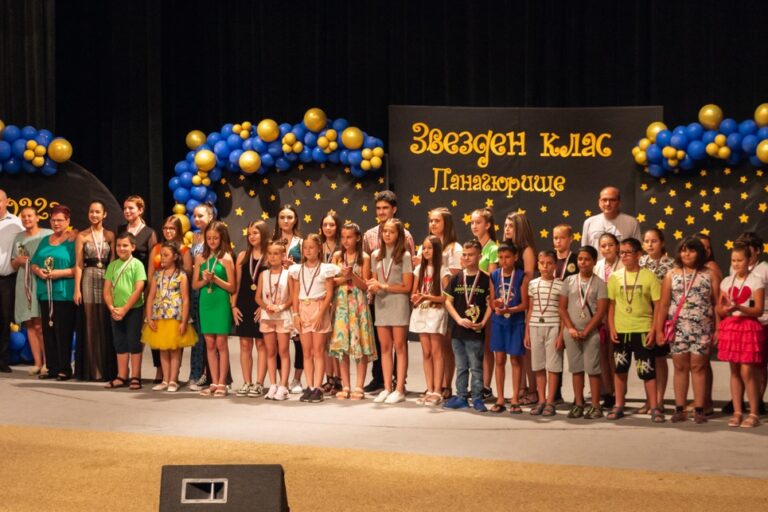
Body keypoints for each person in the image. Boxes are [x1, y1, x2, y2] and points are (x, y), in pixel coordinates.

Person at [657, 237, 718, 424]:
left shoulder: (710, 274)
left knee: (699, 367)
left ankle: (699, 409)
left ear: (700, 253)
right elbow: (664, 304)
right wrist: (659, 330)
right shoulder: (671, 274)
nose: (687, 254)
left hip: (703, 329)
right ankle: (680, 409)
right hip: (678, 329)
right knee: (680, 368)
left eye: (691, 250)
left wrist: (719, 329)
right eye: (684, 250)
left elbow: (717, 304)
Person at [606, 237, 664, 423]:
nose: (623, 256)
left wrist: (654, 329)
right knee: (620, 370)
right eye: (621, 253)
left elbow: (658, 306)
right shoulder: (615, 277)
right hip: (621, 331)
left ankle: (654, 406)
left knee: (647, 370)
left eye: (628, 253)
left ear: (639, 254)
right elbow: (611, 305)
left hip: (643, 330)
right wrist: (612, 327)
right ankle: (619, 404)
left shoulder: (649, 277)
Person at [362, 190, 415, 394]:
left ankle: (399, 383)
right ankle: (382, 382)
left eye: (385, 208)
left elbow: (409, 271)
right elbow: (369, 269)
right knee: (381, 344)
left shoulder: (406, 237)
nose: (381, 212)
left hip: (398, 298)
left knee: (399, 344)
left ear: (394, 209)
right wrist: (371, 286)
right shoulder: (369, 236)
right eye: (378, 208)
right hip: (379, 300)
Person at [716, 243, 765, 428]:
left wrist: (739, 307)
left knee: (747, 371)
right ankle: (737, 411)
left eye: (740, 260)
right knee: (735, 370)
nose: (736, 264)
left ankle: (754, 413)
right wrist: (724, 308)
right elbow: (720, 309)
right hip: (731, 327)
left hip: (748, 327)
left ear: (749, 260)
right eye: (733, 260)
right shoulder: (726, 281)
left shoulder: (756, 281)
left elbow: (758, 310)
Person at [559, 246, 608, 419]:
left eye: (587, 259)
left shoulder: (600, 283)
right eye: (580, 259)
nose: (583, 262)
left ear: (594, 261)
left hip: (592, 333)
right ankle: (578, 404)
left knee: (593, 369)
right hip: (571, 332)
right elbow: (562, 308)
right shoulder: (569, 281)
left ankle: (595, 405)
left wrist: (587, 330)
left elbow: (601, 311)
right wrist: (571, 328)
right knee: (576, 369)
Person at [329, 222, 376, 400]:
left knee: (359, 345)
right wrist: (343, 277)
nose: (346, 241)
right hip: (341, 304)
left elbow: (365, 285)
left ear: (357, 238)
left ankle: (359, 386)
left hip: (358, 305)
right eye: (343, 237)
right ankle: (346, 385)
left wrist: (352, 276)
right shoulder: (337, 256)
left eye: (349, 237)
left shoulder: (364, 257)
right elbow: (330, 281)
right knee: (342, 346)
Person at [443, 240, 492, 412]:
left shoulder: (486, 279)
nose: (466, 258)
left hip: (476, 331)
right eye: (464, 254)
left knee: (476, 366)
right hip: (458, 331)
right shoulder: (456, 278)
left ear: (480, 256)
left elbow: (491, 304)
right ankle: (461, 397)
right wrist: (458, 319)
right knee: (461, 366)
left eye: (471, 255)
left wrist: (483, 322)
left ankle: (477, 398)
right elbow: (447, 302)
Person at [141, 242, 197, 392]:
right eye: (161, 255)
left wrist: (184, 321)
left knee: (174, 349)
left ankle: (173, 380)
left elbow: (185, 299)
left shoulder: (181, 275)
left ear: (175, 257)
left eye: (166, 255)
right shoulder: (157, 274)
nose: (163, 258)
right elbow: (151, 296)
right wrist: (149, 317)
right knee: (163, 348)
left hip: (175, 317)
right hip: (160, 316)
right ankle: (165, 379)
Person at [418, 207, 461, 399]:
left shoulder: (454, 248)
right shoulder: (425, 245)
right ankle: (433, 385)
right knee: (432, 348)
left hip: (446, 303)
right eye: (431, 221)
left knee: (445, 346)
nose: (433, 224)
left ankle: (445, 384)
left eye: (437, 221)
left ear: (446, 223)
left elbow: (454, 279)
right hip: (427, 307)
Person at [30, 205, 76, 381]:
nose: (56, 223)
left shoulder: (73, 240)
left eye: (60, 220)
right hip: (45, 292)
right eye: (53, 220)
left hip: (63, 293)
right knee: (47, 331)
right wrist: (38, 271)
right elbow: (34, 263)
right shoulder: (45, 240)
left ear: (68, 221)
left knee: (63, 331)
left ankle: (65, 368)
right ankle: (52, 368)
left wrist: (58, 273)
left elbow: (77, 269)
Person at [289, 234, 337, 403]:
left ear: (319, 249)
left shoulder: (326, 269)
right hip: (303, 309)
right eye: (305, 248)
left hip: (319, 309)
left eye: (311, 247)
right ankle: (309, 386)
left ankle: (318, 387)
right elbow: (295, 293)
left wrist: (320, 314)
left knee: (318, 352)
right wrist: (295, 314)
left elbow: (329, 294)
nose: (308, 251)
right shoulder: (297, 270)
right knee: (307, 352)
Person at [117, 195, 160, 382]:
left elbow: (154, 261)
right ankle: (125, 373)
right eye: (125, 208)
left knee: (148, 328)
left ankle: (160, 370)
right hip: (123, 287)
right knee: (127, 331)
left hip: (143, 285)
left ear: (140, 210)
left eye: (131, 208)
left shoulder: (149, 233)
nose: (127, 211)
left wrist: (149, 288)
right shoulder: (120, 230)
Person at [73, 200, 116, 382]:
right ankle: (92, 370)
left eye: (98, 212)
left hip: (106, 277)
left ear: (104, 214)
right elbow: (78, 264)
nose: (94, 215)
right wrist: (77, 289)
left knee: (104, 323)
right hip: (88, 278)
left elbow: (113, 262)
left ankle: (106, 369)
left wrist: (112, 284)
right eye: (91, 211)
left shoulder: (110, 235)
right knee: (90, 323)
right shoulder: (82, 236)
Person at [192, 221, 236, 397]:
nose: (212, 241)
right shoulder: (200, 258)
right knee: (209, 343)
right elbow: (195, 285)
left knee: (221, 344)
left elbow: (232, 287)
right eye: (209, 238)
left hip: (221, 302)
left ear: (222, 238)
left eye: (215, 238)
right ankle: (213, 382)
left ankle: (222, 383)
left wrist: (215, 279)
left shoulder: (226, 258)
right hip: (206, 302)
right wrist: (205, 280)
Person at [103, 232, 147, 390]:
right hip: (115, 311)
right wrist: (112, 308)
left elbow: (139, 288)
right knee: (119, 343)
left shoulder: (137, 265)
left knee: (134, 342)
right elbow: (107, 290)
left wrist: (125, 308)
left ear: (133, 247)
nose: (121, 248)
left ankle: (136, 376)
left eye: (125, 245)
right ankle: (122, 375)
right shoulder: (112, 265)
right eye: (119, 245)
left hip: (133, 309)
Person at [409, 236, 450, 406]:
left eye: (429, 248)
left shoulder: (443, 271)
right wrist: (415, 297)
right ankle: (429, 388)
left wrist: (427, 296)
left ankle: (438, 390)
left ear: (437, 250)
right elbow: (413, 293)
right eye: (424, 248)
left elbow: (445, 298)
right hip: (421, 313)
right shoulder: (419, 269)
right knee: (426, 353)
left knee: (436, 352)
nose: (425, 251)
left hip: (436, 313)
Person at [488, 241, 527, 414]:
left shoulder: (521, 276)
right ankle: (500, 398)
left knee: (515, 360)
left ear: (515, 257)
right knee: (499, 360)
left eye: (507, 257)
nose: (504, 261)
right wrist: (495, 305)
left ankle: (515, 399)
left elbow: (525, 304)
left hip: (516, 322)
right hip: (499, 322)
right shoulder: (494, 275)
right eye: (501, 257)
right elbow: (492, 300)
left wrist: (509, 310)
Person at [10, 206, 51, 375]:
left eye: (30, 216)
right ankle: (37, 363)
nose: (27, 219)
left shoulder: (47, 234)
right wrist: (18, 261)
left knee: (41, 324)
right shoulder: (18, 237)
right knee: (30, 324)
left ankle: (48, 363)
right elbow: (13, 264)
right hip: (23, 282)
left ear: (37, 217)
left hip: (40, 281)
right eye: (24, 216)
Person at [638, 228, 674, 414]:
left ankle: (659, 400)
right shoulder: (639, 262)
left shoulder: (671, 265)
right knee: (646, 359)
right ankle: (648, 400)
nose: (650, 244)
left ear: (662, 243)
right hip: (642, 316)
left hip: (661, 316)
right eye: (646, 241)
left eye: (654, 241)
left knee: (659, 358)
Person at [503, 212, 538, 406]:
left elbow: (528, 278)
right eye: (506, 225)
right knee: (515, 350)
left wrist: (518, 300)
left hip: (524, 303)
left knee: (527, 349)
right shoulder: (508, 249)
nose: (507, 229)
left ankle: (533, 391)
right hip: (510, 304)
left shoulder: (526, 250)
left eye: (511, 226)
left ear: (520, 228)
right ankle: (521, 388)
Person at [232, 220, 269, 397]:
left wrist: (265, 307)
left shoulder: (269, 256)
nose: (252, 236)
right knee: (245, 344)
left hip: (261, 305)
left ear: (263, 233)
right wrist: (233, 306)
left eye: (255, 232)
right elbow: (237, 284)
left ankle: (259, 383)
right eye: (249, 234)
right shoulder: (242, 256)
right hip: (244, 304)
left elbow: (272, 285)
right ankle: (247, 382)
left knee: (261, 344)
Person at [525, 250, 564, 417]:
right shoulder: (533, 284)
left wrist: (561, 334)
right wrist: (527, 332)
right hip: (535, 326)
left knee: (553, 366)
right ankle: (541, 400)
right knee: (538, 365)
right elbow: (530, 309)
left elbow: (563, 311)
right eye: (542, 263)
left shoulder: (561, 285)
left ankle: (550, 401)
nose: (545, 266)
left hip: (553, 326)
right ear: (538, 265)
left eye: (549, 263)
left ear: (555, 265)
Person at [272, 204, 305, 393]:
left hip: (296, 295)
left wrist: (294, 266)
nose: (286, 221)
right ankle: (281, 379)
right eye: (282, 217)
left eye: (290, 217)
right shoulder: (272, 242)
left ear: (295, 220)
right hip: (277, 296)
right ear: (277, 220)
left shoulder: (301, 243)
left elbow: (309, 267)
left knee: (299, 340)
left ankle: (297, 379)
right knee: (278, 341)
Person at [256, 241, 293, 401]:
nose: (272, 257)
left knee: (283, 351)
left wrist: (281, 307)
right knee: (270, 351)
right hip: (267, 317)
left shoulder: (288, 274)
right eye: (270, 253)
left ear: (283, 255)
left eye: (276, 254)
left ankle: (283, 386)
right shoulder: (263, 275)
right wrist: (266, 306)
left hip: (283, 316)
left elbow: (292, 297)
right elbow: (258, 297)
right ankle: (273, 384)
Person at [471, 207, 497, 401]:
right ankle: (476, 384)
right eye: (472, 222)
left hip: (487, 301)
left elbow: (493, 278)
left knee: (487, 346)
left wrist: (475, 269)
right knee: (474, 346)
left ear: (487, 225)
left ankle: (486, 386)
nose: (474, 226)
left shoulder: (493, 249)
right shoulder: (474, 246)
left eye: (478, 222)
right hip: (472, 302)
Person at [594, 232, 623, 408]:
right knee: (602, 356)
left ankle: (618, 392)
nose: (607, 249)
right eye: (603, 246)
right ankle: (607, 391)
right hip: (600, 316)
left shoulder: (623, 265)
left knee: (615, 356)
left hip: (618, 315)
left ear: (617, 246)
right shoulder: (597, 266)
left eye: (610, 245)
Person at [188, 202, 214, 391]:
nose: (197, 219)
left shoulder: (215, 236)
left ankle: (210, 374)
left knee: (210, 335)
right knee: (197, 334)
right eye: (195, 216)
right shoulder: (195, 237)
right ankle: (195, 373)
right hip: (196, 290)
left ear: (210, 217)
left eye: (201, 216)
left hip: (211, 289)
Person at [0, 189, 24, 373]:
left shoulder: (16, 223)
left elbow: (27, 243)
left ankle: (1, 359)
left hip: (6, 279)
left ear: (6, 202)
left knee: (4, 318)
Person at [319, 212, 342, 394]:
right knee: (324, 339)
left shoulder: (342, 247)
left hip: (339, 296)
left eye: (332, 225)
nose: (328, 228)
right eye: (325, 225)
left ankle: (340, 379)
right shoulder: (318, 247)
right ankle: (329, 377)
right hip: (321, 296)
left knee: (336, 339)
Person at [581, 186, 642, 251]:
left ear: (619, 202)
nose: (608, 204)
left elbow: (637, 250)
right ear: (599, 202)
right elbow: (585, 251)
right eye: (604, 200)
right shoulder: (589, 222)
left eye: (612, 200)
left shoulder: (631, 222)